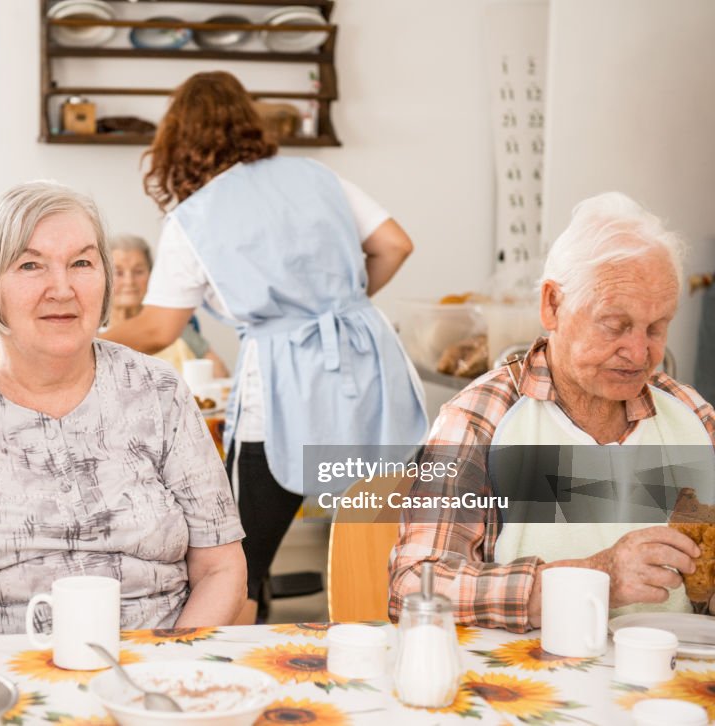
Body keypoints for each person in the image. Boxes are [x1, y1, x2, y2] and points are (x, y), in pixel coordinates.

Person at [0, 181, 246, 638]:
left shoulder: (160, 393)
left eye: (81, 262)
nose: (62, 288)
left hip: (152, 675)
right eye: (30, 265)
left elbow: (222, 568)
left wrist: (169, 665)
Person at [102, 71, 427, 624]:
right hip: (371, 370)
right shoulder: (316, 175)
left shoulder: (196, 216)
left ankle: (238, 679)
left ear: (178, 141)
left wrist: (85, 335)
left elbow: (158, 329)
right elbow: (395, 244)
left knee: (236, 561)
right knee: (388, 545)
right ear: (248, 121)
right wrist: (338, 302)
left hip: (278, 397)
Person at [389, 192, 715, 632]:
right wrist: (596, 577)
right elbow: (415, 588)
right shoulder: (480, 418)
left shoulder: (692, 416)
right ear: (552, 305)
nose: (640, 352)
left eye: (656, 328)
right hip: (529, 686)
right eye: (615, 325)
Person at [109, 233, 229, 377]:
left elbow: (220, 373)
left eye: (139, 272)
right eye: (119, 273)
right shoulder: (91, 330)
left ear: (152, 276)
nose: (129, 281)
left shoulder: (171, 324)